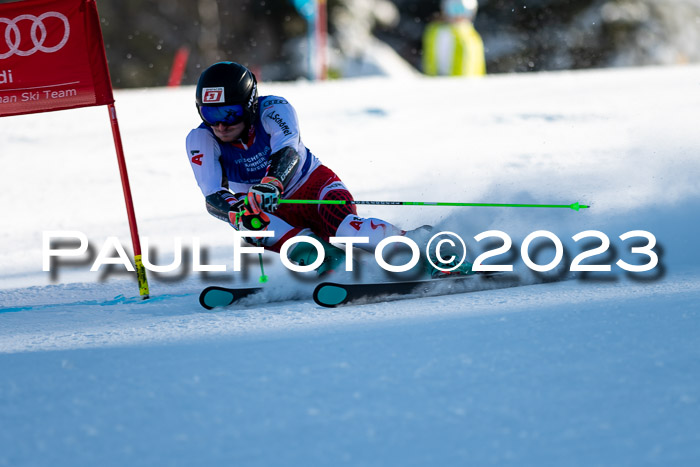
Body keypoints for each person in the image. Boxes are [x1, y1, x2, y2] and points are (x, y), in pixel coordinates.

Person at [186, 61, 470, 276]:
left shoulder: (273, 109)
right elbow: (212, 195)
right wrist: (235, 212)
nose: (221, 125)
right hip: (269, 209)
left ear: (249, 106)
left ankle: (427, 249)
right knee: (254, 225)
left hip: (313, 187)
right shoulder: (200, 139)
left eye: (230, 113)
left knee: (347, 231)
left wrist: (272, 183)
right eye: (210, 114)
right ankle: (333, 267)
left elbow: (288, 151)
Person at [422, 0, 486, 77]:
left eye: (463, 10)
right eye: (453, 9)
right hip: (439, 84)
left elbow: (478, 67)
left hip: (466, 85)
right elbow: (430, 62)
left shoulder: (472, 36)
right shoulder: (435, 32)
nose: (458, 15)